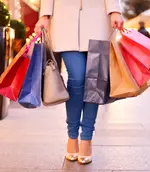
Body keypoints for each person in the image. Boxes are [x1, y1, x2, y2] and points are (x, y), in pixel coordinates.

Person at [34, 0, 123, 165]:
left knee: (95, 81)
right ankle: (72, 135)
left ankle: (87, 138)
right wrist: (45, 14)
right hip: (63, 20)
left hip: (98, 18)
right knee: (77, 78)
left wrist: (115, 10)